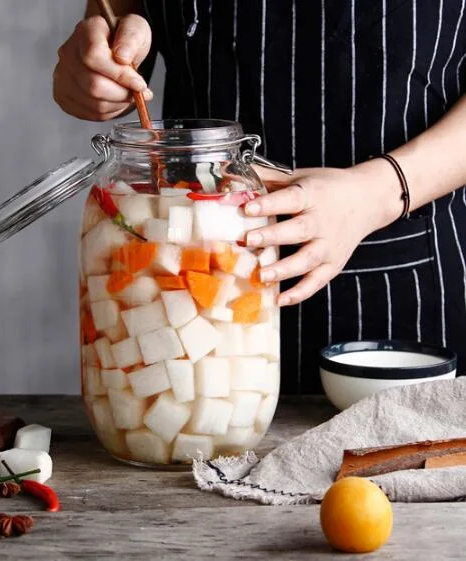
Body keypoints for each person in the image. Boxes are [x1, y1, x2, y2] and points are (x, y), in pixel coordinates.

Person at [53, 1, 466, 394]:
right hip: (189, 281)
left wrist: (379, 190)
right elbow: (120, 15)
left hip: (401, 288)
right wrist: (101, 63)